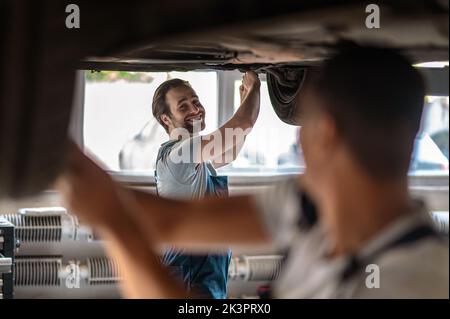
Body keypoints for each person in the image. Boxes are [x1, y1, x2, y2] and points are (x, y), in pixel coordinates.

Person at [57, 46, 449, 298]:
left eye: (304, 127)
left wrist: (111, 218)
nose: (298, 144)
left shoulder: (413, 282)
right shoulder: (305, 206)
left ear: (325, 134)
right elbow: (170, 223)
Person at [148, 72, 260, 298]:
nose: (195, 110)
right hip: (189, 281)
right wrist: (256, 86)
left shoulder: (194, 159)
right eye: (183, 106)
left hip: (205, 278)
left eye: (195, 101)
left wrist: (245, 97)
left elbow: (230, 151)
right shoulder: (179, 154)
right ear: (166, 120)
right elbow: (242, 124)